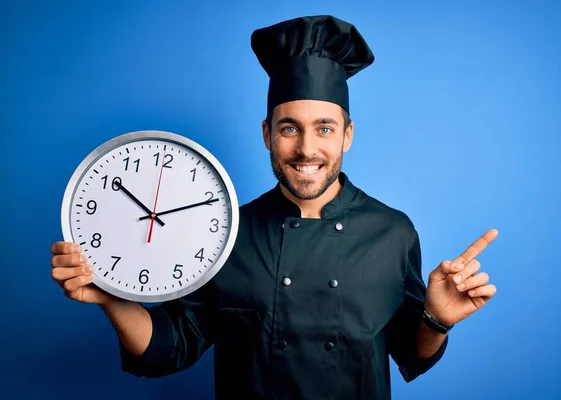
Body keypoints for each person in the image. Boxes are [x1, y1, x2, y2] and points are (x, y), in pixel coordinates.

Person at [50, 15, 498, 399]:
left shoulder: (393, 232)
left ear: (347, 135)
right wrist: (110, 299)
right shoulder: (223, 234)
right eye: (290, 128)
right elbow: (171, 345)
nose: (306, 148)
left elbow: (411, 350)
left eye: (324, 129)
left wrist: (436, 320)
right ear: (267, 134)